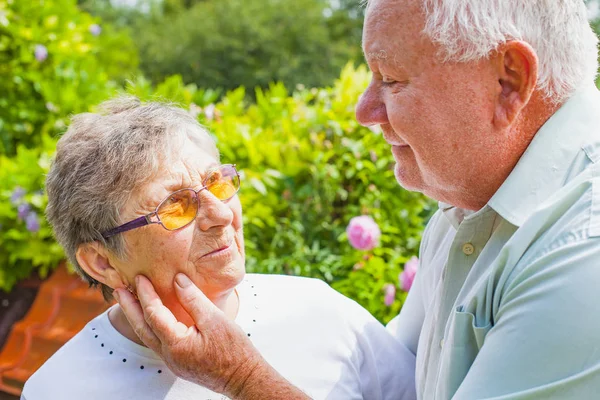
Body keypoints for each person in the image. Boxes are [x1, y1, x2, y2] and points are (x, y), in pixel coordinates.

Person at [114, 0, 600, 399]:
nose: (364, 110)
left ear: (508, 80)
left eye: (390, 78)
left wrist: (242, 380)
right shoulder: (476, 197)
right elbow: (404, 380)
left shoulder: (582, 250)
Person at [21, 97, 416, 400]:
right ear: (102, 261)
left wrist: (242, 379)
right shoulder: (59, 389)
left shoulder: (322, 311)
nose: (221, 215)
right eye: (175, 205)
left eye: (217, 184)